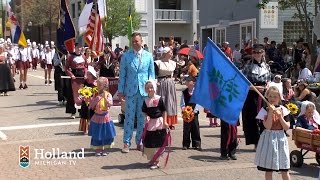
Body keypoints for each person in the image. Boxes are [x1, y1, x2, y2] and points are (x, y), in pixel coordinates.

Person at [118, 32, 155, 153]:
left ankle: (139, 141)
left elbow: (151, 74)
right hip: (130, 90)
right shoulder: (126, 56)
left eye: (137, 41)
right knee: (129, 117)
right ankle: (126, 143)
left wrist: (152, 89)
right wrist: (120, 90)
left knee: (142, 118)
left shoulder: (148, 56)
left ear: (141, 41)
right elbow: (122, 74)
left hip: (144, 91)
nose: (135, 43)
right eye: (133, 41)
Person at [255, 86, 291, 180]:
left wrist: (280, 117)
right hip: (268, 139)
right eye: (270, 96)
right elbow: (267, 126)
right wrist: (270, 113)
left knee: (284, 168)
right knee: (269, 169)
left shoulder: (284, 109)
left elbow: (287, 127)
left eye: (275, 96)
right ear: (267, 97)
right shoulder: (264, 110)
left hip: (280, 139)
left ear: (279, 97)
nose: (272, 99)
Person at [242, 44, 272, 148]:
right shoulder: (247, 66)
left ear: (263, 53)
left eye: (259, 52)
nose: (257, 54)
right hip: (252, 95)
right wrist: (254, 88)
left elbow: (269, 80)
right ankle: (256, 141)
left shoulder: (267, 66)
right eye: (254, 52)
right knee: (253, 117)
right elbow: (243, 83)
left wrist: (267, 86)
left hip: (264, 95)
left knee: (264, 116)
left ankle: (264, 139)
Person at [142, 80, 169, 169]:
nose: (149, 89)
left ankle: (157, 161)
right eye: (147, 88)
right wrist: (146, 117)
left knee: (158, 141)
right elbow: (144, 111)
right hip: (150, 124)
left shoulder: (159, 98)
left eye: (151, 87)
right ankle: (153, 159)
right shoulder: (146, 101)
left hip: (158, 123)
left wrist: (165, 121)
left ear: (154, 88)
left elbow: (164, 111)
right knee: (150, 142)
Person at [88, 77, 116, 156]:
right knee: (97, 133)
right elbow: (91, 106)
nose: (98, 86)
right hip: (97, 117)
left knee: (106, 133)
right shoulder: (95, 94)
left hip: (105, 117)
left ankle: (105, 148)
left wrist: (104, 98)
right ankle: (98, 148)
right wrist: (88, 100)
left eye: (100, 84)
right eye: (98, 84)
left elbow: (110, 104)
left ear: (105, 86)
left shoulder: (108, 95)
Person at [154, 47, 178, 130]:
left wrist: (174, 78)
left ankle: (170, 122)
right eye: (170, 52)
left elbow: (176, 72)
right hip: (162, 83)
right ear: (165, 53)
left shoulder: (173, 63)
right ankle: (162, 120)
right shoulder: (158, 63)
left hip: (170, 83)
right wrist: (155, 81)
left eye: (171, 53)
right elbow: (155, 74)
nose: (171, 54)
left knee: (171, 101)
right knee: (163, 101)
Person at [65, 43, 88, 119]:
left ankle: (81, 112)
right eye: (78, 47)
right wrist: (71, 75)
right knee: (73, 94)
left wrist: (85, 74)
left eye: (80, 47)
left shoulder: (83, 56)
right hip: (74, 77)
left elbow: (86, 66)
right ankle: (73, 112)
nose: (79, 49)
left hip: (82, 77)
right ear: (75, 48)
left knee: (82, 94)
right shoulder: (70, 57)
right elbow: (66, 68)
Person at [180, 76, 201, 150]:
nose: (187, 82)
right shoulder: (184, 92)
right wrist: (183, 109)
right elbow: (182, 103)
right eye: (186, 81)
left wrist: (194, 111)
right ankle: (186, 144)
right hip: (186, 114)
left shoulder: (196, 92)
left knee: (195, 128)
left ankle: (196, 143)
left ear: (193, 83)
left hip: (194, 113)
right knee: (186, 129)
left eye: (189, 81)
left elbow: (198, 102)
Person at [79, 66, 97, 135]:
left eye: (89, 74)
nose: (88, 75)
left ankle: (91, 128)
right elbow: (81, 89)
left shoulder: (95, 83)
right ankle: (84, 128)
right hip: (85, 99)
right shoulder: (85, 81)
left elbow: (96, 92)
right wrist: (82, 95)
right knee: (84, 113)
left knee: (91, 114)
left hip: (92, 100)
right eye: (87, 74)